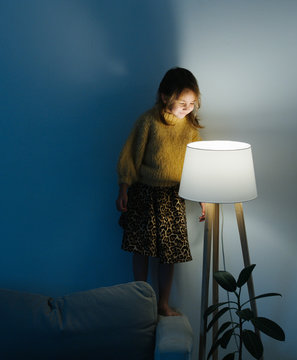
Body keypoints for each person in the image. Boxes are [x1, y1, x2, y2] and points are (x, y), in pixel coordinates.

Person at [116, 67, 205, 316]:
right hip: (144, 193)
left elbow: (197, 167)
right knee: (141, 249)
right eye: (182, 102)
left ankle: (163, 304)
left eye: (192, 103)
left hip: (173, 197)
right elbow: (130, 157)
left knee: (170, 253)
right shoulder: (148, 121)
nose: (188, 107)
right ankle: (140, 301)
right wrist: (124, 188)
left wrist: (201, 200)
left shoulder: (190, 130)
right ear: (165, 97)